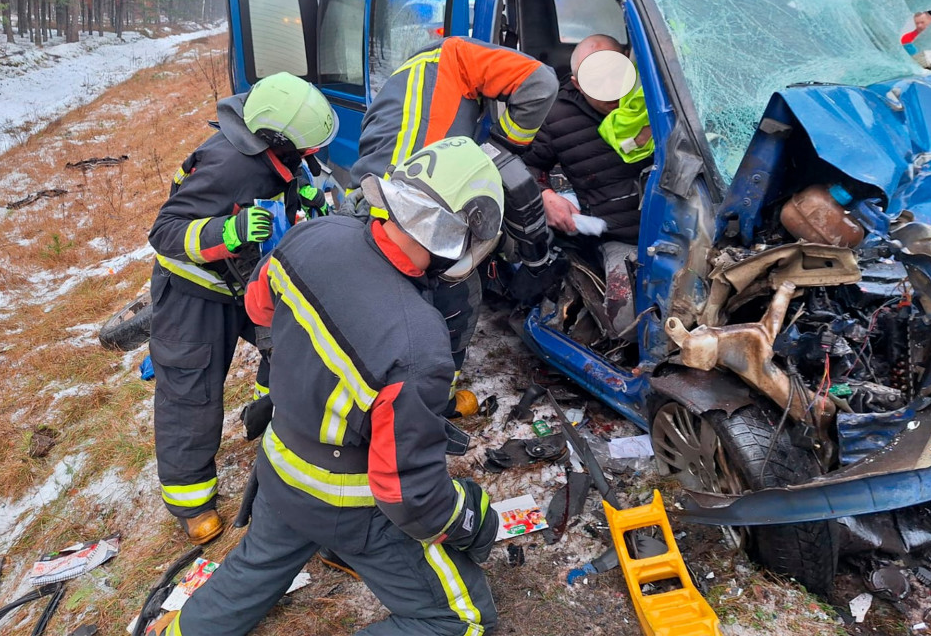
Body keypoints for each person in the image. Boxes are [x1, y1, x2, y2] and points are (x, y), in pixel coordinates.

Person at [148, 137, 502, 636]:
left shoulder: (314, 235)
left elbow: (258, 309)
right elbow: (406, 494)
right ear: (460, 235)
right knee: (461, 621)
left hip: (281, 467)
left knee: (255, 569)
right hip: (349, 504)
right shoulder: (418, 343)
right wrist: (471, 518)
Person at [147, 72, 338, 545]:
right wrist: (223, 234)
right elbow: (165, 232)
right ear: (276, 138)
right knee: (191, 391)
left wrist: (304, 193)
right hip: (196, 290)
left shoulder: (278, 153)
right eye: (306, 152)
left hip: (248, 280)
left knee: (296, 346)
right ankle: (191, 500)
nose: (311, 157)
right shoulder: (226, 163)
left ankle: (269, 416)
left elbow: (283, 182)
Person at [349, 35, 561, 374]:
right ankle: (435, 396)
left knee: (375, 315)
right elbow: (541, 82)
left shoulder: (400, 82)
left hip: (365, 206)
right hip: (410, 214)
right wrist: (499, 149)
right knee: (455, 297)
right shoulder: (457, 56)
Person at [523, 34, 654, 337]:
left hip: (683, 223)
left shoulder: (656, 97)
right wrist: (546, 196)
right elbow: (523, 163)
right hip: (622, 236)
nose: (611, 91)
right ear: (578, 83)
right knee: (628, 325)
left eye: (615, 75)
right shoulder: (557, 115)